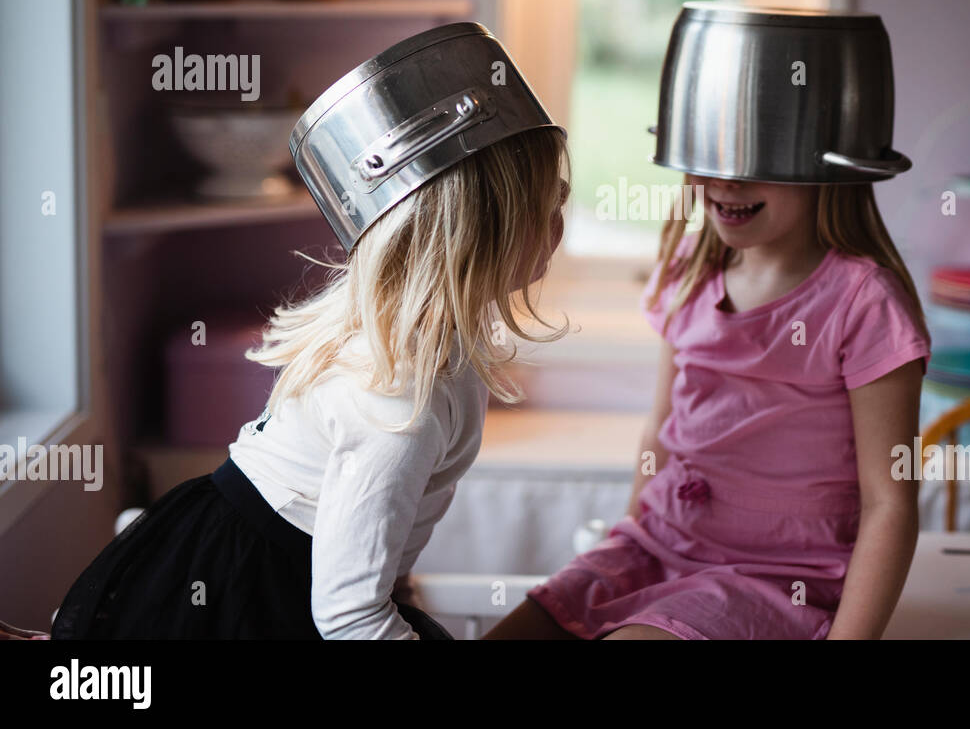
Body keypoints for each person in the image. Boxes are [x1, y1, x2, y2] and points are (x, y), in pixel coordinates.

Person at [3, 116, 568, 640]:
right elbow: (350, 614)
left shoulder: (408, 337)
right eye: (546, 208)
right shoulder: (401, 401)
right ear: (481, 234)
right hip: (250, 593)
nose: (560, 224)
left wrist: (395, 578)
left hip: (247, 554)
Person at [485, 174, 929, 640]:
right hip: (655, 548)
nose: (729, 183)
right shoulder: (690, 268)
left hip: (773, 580)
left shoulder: (865, 301)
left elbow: (889, 502)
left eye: (758, 163)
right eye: (714, 159)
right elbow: (660, 426)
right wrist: (628, 537)